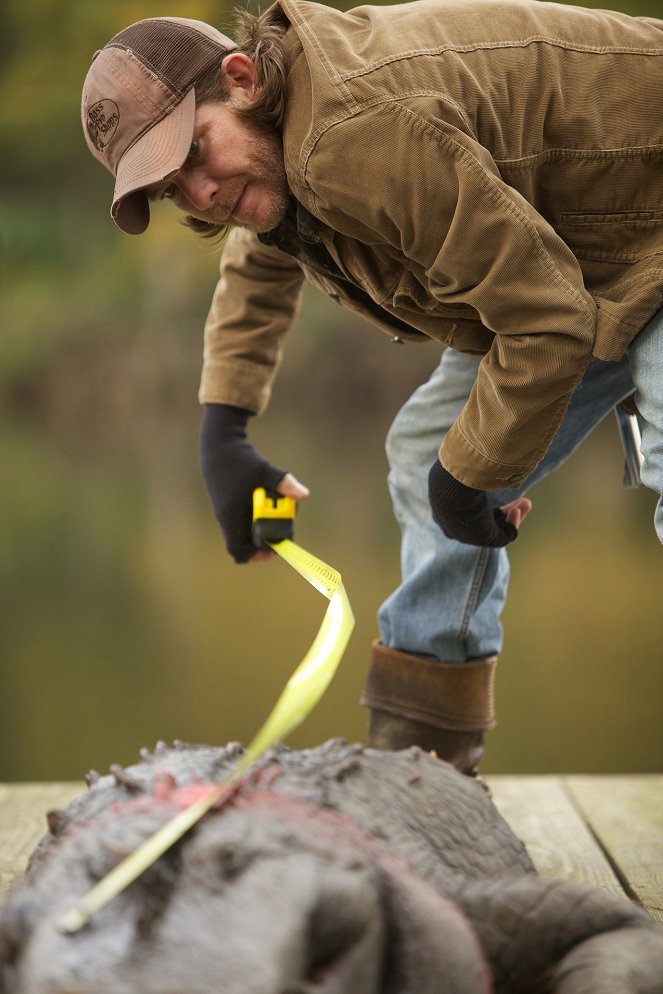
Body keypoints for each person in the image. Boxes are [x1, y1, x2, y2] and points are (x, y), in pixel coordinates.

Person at [81, 0, 663, 775]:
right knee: (431, 454)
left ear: (240, 77)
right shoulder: (276, 136)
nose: (202, 194)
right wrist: (224, 431)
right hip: (578, 261)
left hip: (630, 233)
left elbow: (547, 320)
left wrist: (469, 481)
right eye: (170, 189)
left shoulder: (351, 133)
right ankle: (424, 766)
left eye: (193, 152)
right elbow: (262, 260)